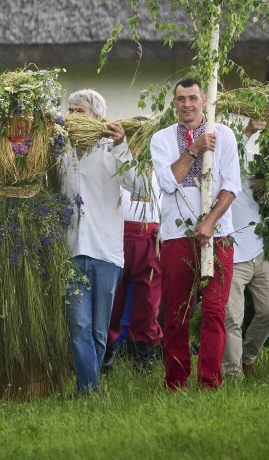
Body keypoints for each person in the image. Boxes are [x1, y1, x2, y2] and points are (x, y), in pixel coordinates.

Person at [151, 77, 241, 390]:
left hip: (219, 236)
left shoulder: (224, 134)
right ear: (174, 103)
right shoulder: (162, 139)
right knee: (177, 313)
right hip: (176, 236)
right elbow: (167, 182)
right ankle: (176, 382)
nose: (187, 104)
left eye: (192, 98)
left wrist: (210, 222)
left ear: (204, 100)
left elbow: (231, 186)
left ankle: (209, 382)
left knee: (215, 310)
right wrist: (194, 148)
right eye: (180, 99)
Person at [60, 89, 143, 394]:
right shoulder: (62, 153)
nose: (71, 115)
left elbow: (143, 188)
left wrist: (122, 147)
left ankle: (88, 389)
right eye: (69, 110)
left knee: (98, 329)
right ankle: (89, 390)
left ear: (96, 117)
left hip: (106, 252)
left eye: (78, 110)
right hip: (72, 251)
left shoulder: (112, 150)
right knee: (78, 325)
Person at [223, 117, 269, 379]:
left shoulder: (265, 166)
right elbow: (237, 150)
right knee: (232, 318)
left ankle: (247, 356)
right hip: (232, 252)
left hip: (260, 250)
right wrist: (246, 132)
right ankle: (233, 375)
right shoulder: (225, 166)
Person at [108, 119, 164, 371]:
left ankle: (143, 357)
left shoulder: (160, 164)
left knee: (148, 300)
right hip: (118, 235)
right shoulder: (117, 161)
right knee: (113, 298)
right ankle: (106, 353)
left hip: (150, 237)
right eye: (136, 137)